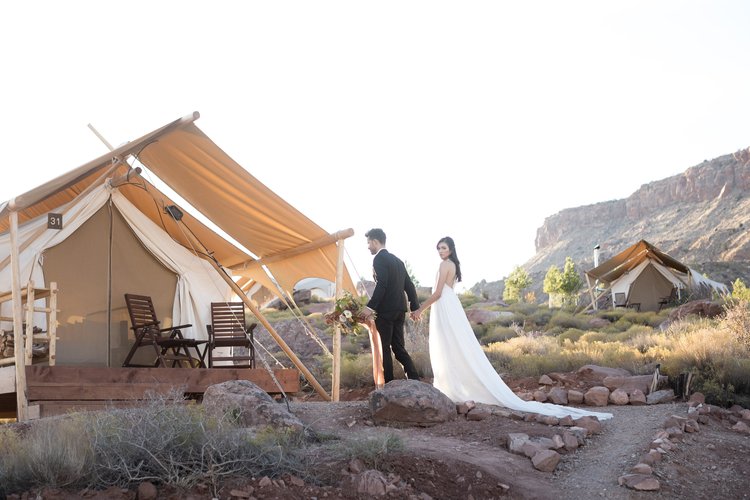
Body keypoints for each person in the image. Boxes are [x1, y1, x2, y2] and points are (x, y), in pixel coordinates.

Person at [412, 236, 612, 420]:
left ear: (451, 249)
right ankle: (453, 386)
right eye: (438, 248)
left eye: (444, 248)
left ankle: (451, 386)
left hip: (445, 306)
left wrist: (420, 309)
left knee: (446, 344)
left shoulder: (444, 264)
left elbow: (438, 293)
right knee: (453, 345)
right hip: (451, 306)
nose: (440, 251)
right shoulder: (453, 265)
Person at [361, 228, 421, 383]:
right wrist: (414, 307)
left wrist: (370, 307)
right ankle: (414, 379)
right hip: (400, 310)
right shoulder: (398, 261)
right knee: (398, 347)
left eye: (368, 243)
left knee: (385, 348)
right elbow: (410, 285)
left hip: (386, 311)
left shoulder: (379, 259)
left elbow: (382, 284)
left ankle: (388, 384)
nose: (368, 247)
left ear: (375, 241)